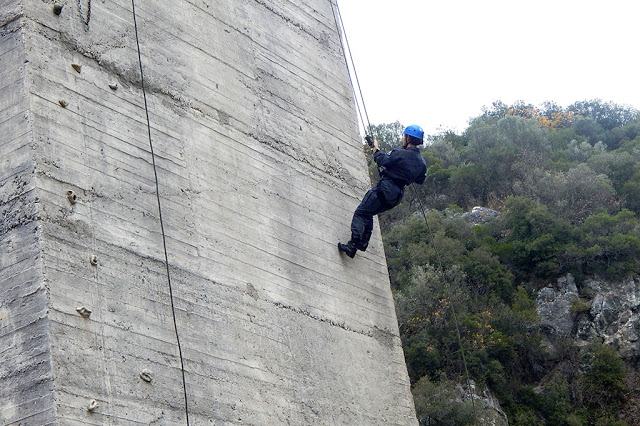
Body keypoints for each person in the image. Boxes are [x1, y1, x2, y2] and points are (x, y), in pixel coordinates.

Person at [338, 125, 427, 258]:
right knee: (369, 212)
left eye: (404, 136)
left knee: (361, 213)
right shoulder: (421, 163)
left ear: (408, 138)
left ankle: (353, 246)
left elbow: (382, 160)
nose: (403, 138)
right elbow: (420, 180)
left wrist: (376, 149)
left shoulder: (400, 153)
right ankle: (362, 243)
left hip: (386, 188)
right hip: (397, 196)